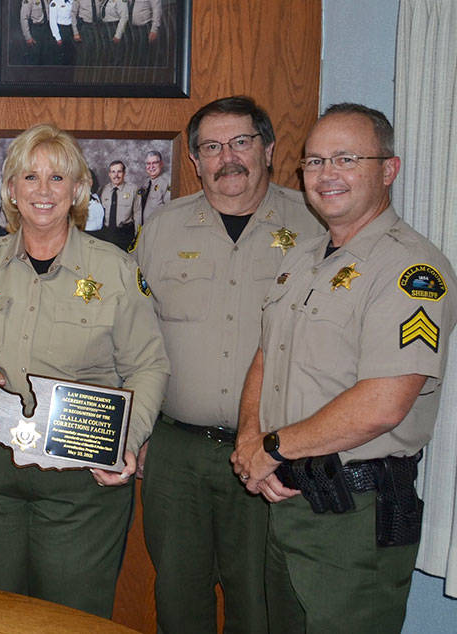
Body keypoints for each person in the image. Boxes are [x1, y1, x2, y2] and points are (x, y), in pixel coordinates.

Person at [232, 104, 455, 633]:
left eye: (346, 158)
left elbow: (384, 403)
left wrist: (271, 449)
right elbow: (268, 357)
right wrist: (250, 442)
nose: (326, 174)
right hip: (287, 498)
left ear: (389, 169)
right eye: (313, 161)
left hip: (356, 516)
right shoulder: (302, 258)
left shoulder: (411, 270)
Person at [0, 123, 168, 617]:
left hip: (80, 481)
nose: (43, 191)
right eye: (30, 177)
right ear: (11, 190)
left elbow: (148, 365)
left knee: (73, 617)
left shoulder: (113, 268)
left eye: (57, 178)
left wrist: (126, 443)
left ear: (78, 189)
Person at [134, 96, 323, 634]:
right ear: (195, 160)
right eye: (212, 147)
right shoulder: (162, 229)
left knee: (260, 600)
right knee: (178, 596)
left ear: (268, 148)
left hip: (271, 451)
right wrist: (138, 429)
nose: (228, 158)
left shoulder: (313, 226)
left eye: (241, 142)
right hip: (175, 453)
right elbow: (135, 338)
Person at [94, 159, 139, 248]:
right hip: (107, 233)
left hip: (125, 234)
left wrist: (137, 236)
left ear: (124, 173)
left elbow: (138, 213)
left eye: (119, 172)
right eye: (113, 172)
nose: (116, 175)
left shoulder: (133, 189)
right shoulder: (103, 190)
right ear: (109, 174)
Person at [135, 149, 171, 223]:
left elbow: (169, 211)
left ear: (161, 164)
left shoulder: (167, 183)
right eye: (148, 163)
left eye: (154, 163)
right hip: (143, 228)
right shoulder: (145, 183)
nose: (151, 167)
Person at [19, 0, 52, 65]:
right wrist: (28, 37)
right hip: (36, 30)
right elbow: (23, 18)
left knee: (46, 58)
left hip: (47, 29)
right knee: (35, 58)